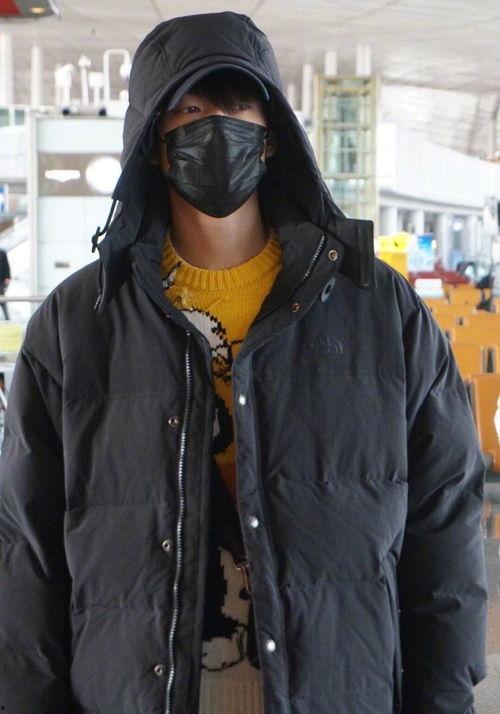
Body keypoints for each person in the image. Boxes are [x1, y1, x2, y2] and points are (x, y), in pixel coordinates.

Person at [0, 12, 487, 714]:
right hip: (133, 690)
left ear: (271, 133)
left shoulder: (377, 310)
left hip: (335, 689)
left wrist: (442, 698)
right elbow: (28, 550)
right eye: (189, 110)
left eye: (237, 106)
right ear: (152, 141)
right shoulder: (79, 324)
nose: (215, 128)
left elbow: (443, 526)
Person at [0, 248, 11, 320]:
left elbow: (7, 265)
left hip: (1, 281)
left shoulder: (2, 253)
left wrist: (8, 277)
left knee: (2, 301)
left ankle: (7, 320)